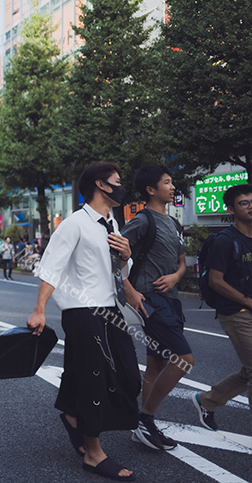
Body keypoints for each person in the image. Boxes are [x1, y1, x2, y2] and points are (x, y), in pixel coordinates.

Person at [28, 161, 139, 482]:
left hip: (111, 308)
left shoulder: (112, 224)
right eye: (117, 180)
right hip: (83, 311)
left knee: (129, 376)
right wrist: (39, 309)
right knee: (95, 379)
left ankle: (72, 414)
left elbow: (117, 271)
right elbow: (51, 268)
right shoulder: (74, 224)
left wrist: (126, 256)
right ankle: (93, 454)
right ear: (101, 185)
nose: (122, 186)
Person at [120, 165, 192, 451]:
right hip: (150, 299)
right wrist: (130, 290)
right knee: (184, 359)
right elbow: (112, 255)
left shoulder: (174, 223)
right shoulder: (142, 221)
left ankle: (145, 425)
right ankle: (145, 420)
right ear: (151, 189)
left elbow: (182, 263)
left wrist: (176, 276)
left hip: (171, 299)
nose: (173, 187)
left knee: (157, 364)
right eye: (167, 182)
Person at [192, 183, 252, 433]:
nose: (250, 206)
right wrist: (248, 302)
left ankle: (207, 401)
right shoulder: (226, 241)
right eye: (244, 203)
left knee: (249, 370)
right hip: (236, 312)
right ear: (231, 209)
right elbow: (216, 281)